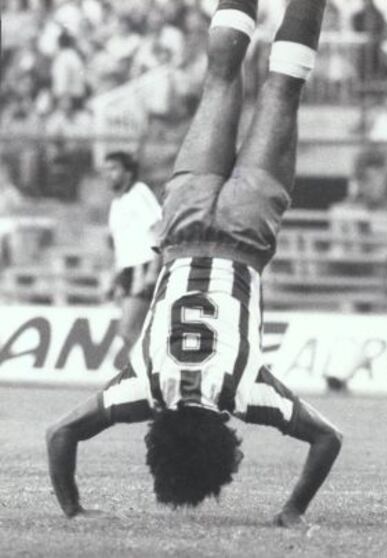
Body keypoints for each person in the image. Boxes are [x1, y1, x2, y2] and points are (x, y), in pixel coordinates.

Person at [47, 0, 342, 528]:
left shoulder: (246, 392)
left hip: (245, 234)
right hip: (183, 225)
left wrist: (293, 510)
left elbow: (327, 439)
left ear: (223, 449)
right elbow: (59, 435)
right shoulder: (142, 387)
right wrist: (72, 508)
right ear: (157, 438)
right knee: (221, 73)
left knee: (282, 86)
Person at [104, 151, 162, 362]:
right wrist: (113, 279)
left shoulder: (139, 192)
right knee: (134, 331)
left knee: (128, 329)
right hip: (128, 270)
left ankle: (148, 376)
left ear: (128, 172)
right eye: (106, 170)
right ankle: (150, 375)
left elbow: (158, 229)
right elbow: (120, 247)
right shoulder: (116, 204)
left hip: (143, 266)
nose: (109, 174)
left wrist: (153, 270)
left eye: (114, 169)